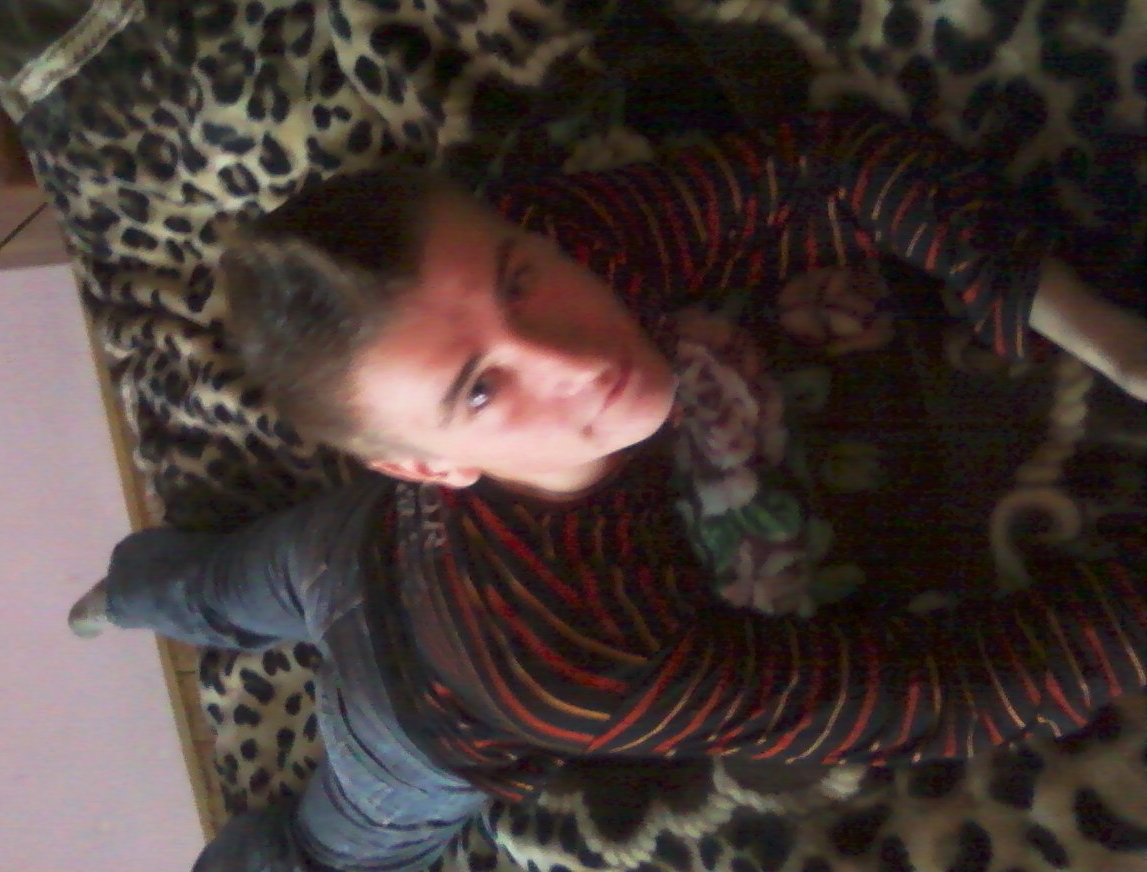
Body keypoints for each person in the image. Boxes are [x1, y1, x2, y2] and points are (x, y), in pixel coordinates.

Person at [71, 108, 1147, 872]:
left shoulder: (564, 230)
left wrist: (1113, 339)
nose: (574, 360)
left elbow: (831, 171)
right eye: (481, 389)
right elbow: (935, 692)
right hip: (406, 720)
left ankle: (130, 594)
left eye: (519, 282)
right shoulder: (576, 660)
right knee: (324, 849)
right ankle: (134, 609)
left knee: (225, 578)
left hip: (347, 541)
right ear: (427, 465)